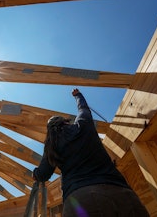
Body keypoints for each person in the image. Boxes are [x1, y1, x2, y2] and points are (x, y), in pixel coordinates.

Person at [33, 88, 149, 217]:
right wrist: (78, 95)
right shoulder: (83, 125)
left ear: (50, 130)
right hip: (121, 192)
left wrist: (35, 174)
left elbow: (43, 174)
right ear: (65, 121)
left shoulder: (52, 144)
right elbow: (83, 109)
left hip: (81, 199)